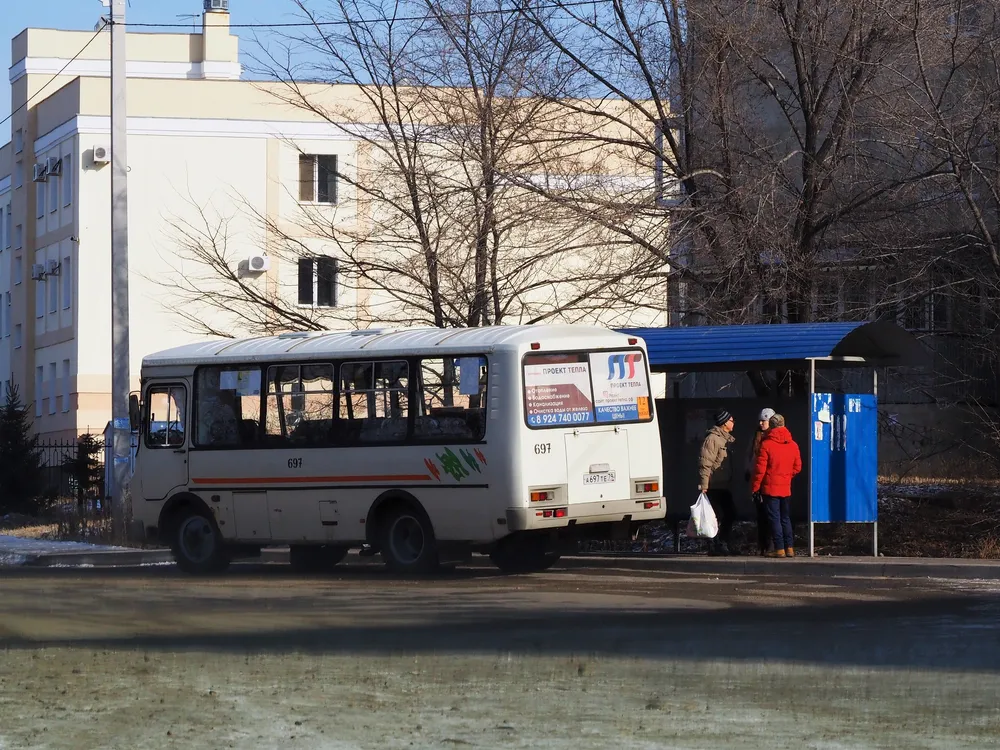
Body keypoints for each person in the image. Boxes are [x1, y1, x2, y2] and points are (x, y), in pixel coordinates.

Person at [751, 413, 802, 558]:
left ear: (771, 427)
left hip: (770, 488)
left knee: (775, 518)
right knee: (785, 518)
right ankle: (789, 547)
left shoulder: (767, 444)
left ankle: (779, 548)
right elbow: (798, 467)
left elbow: (760, 470)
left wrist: (755, 487)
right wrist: (786, 476)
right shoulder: (793, 445)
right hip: (786, 487)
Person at [698, 409, 736, 555]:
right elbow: (705, 463)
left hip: (724, 484)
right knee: (716, 516)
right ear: (724, 423)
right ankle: (715, 546)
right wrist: (704, 485)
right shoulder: (712, 439)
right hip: (714, 485)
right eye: (731, 420)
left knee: (730, 514)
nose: (733, 422)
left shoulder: (726, 439)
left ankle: (722, 543)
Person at [745, 407, 776, 556]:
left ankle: (771, 545)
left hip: (769, 480)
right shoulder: (755, 437)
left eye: (764, 421)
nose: (761, 423)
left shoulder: (774, 437)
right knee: (761, 515)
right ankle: (763, 545)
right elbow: (750, 456)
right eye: (760, 420)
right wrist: (747, 470)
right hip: (757, 479)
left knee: (771, 514)